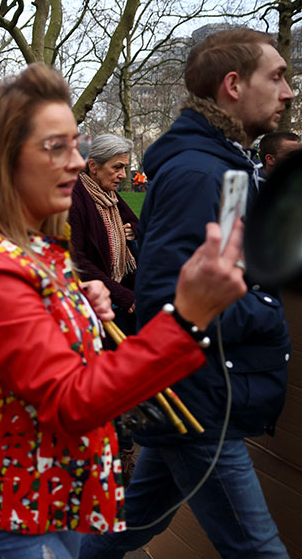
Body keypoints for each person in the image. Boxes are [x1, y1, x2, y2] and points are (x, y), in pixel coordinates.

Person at [0, 63, 251, 558]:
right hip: (13, 500)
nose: (78, 162)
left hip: (58, 485)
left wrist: (76, 309)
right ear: (4, 161)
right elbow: (69, 401)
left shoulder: (37, 250)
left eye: (76, 144)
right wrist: (187, 319)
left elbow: (47, 362)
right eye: (57, 147)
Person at [82, 29, 293, 559]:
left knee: (134, 524)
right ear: (233, 85)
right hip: (199, 401)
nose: (289, 91)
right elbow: (166, 299)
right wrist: (270, 315)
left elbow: (231, 266)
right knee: (258, 548)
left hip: (194, 396)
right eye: (278, 76)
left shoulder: (228, 165)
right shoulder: (200, 173)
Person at [67, 134, 139, 334]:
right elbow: (76, 259)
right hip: (94, 308)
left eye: (124, 167)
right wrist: (121, 295)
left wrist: (132, 230)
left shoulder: (110, 196)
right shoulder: (76, 199)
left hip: (117, 300)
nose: (123, 175)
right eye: (117, 167)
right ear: (93, 166)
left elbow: (138, 224)